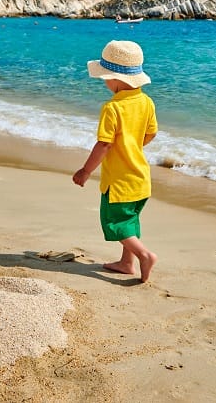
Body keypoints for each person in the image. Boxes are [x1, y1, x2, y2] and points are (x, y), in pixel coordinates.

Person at [73, 40, 159, 282]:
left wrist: (85, 171)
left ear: (117, 80)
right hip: (140, 178)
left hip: (119, 181)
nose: (104, 83)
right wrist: (132, 146)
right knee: (130, 221)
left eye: (105, 78)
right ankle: (126, 263)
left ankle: (144, 255)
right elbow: (151, 133)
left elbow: (104, 144)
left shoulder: (112, 108)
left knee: (115, 223)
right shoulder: (146, 102)